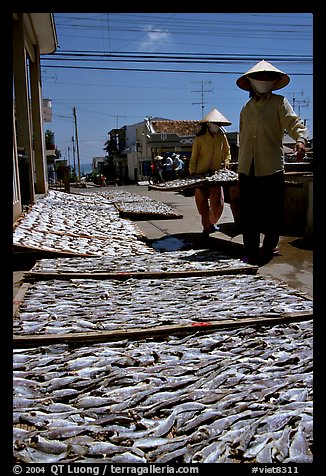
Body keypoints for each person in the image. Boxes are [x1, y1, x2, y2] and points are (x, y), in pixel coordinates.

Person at [236, 60, 309, 265]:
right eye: (260, 77)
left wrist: (301, 140)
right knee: (249, 213)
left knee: (273, 212)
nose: (264, 81)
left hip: (272, 166)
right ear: (250, 82)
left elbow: (293, 122)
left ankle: (268, 247)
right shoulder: (246, 107)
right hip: (247, 167)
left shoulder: (279, 102)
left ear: (274, 81)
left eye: (268, 77)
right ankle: (250, 250)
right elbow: (242, 138)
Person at [189, 108, 232, 237]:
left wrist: (227, 161)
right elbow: (194, 157)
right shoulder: (199, 139)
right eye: (216, 124)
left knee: (217, 202)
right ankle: (207, 227)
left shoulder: (222, 136)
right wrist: (193, 173)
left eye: (219, 124)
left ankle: (212, 222)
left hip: (216, 175)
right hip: (201, 175)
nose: (218, 126)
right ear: (208, 124)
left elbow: (227, 152)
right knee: (202, 203)